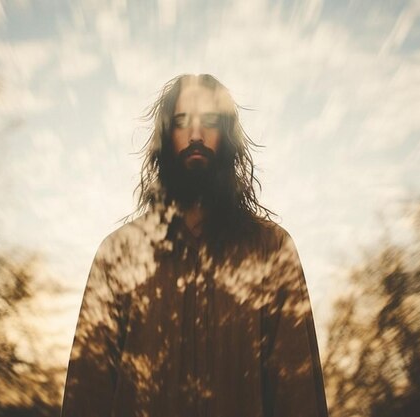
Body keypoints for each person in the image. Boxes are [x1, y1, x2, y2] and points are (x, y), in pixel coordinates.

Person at [61, 74, 328, 417]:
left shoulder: (271, 248)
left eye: (210, 122)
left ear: (227, 135)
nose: (196, 135)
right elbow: (88, 392)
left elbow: (298, 391)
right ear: (166, 137)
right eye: (182, 122)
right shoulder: (120, 254)